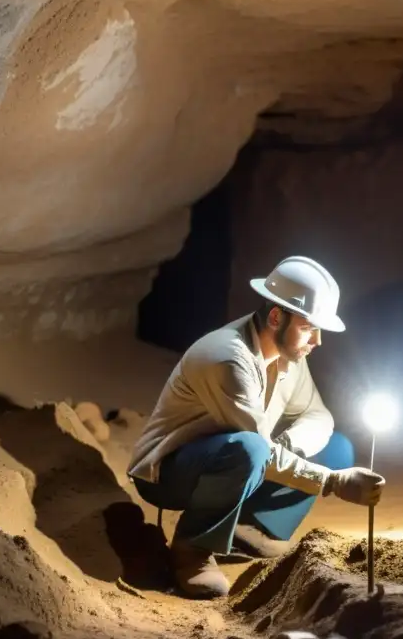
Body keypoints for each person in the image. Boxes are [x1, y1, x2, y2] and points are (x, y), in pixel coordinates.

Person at [128, 256, 385, 598]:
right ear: (277, 317)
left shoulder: (288, 356)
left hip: (233, 462)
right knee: (252, 450)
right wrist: (332, 482)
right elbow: (258, 450)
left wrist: (289, 443)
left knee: (336, 447)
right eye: (309, 327)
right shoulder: (228, 358)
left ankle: (252, 527)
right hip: (169, 474)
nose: (318, 341)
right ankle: (192, 552)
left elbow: (318, 416)